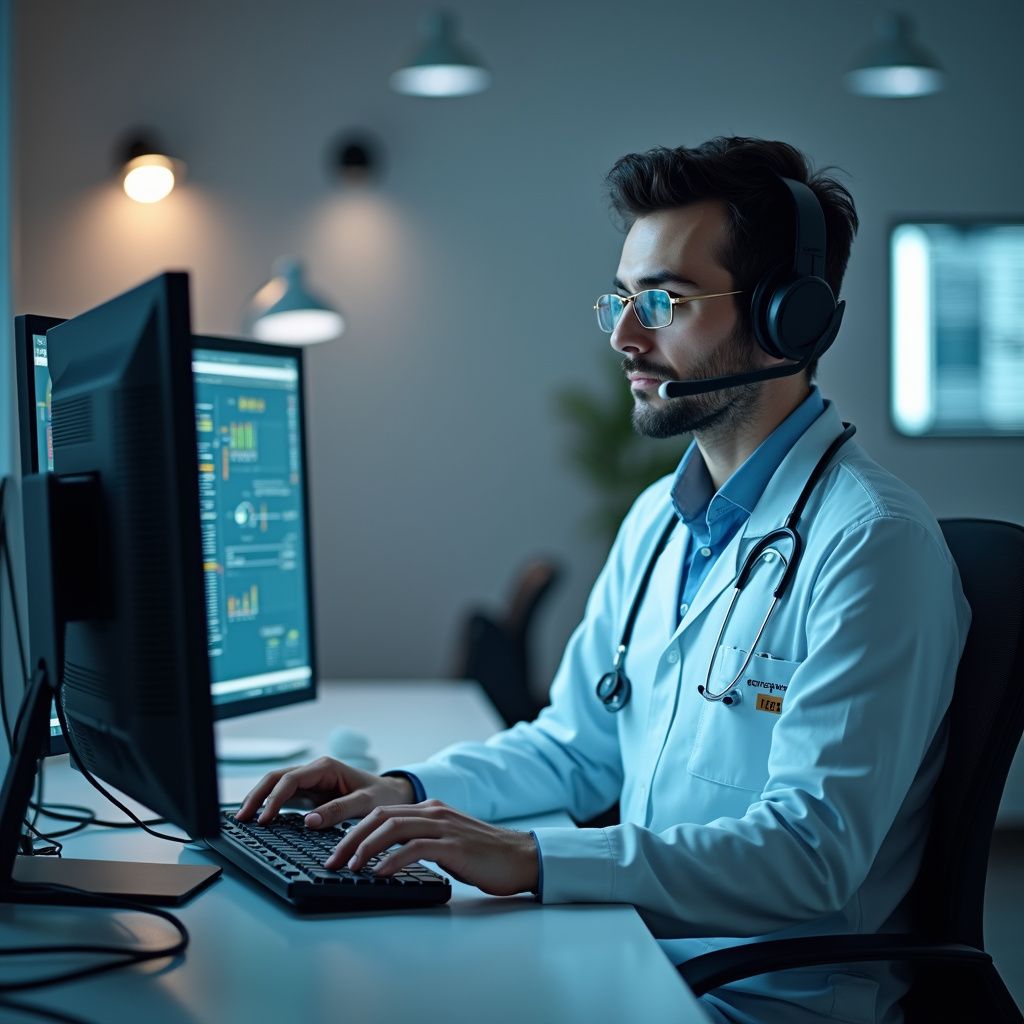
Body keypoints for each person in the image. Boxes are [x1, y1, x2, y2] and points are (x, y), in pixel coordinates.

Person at [237, 137, 970, 1024]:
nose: (625, 336)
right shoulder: (661, 519)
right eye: (621, 301)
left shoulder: (872, 545)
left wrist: (533, 859)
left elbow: (810, 856)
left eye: (663, 301)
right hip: (636, 952)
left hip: (762, 1002)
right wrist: (406, 792)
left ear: (790, 318)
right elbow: (579, 746)